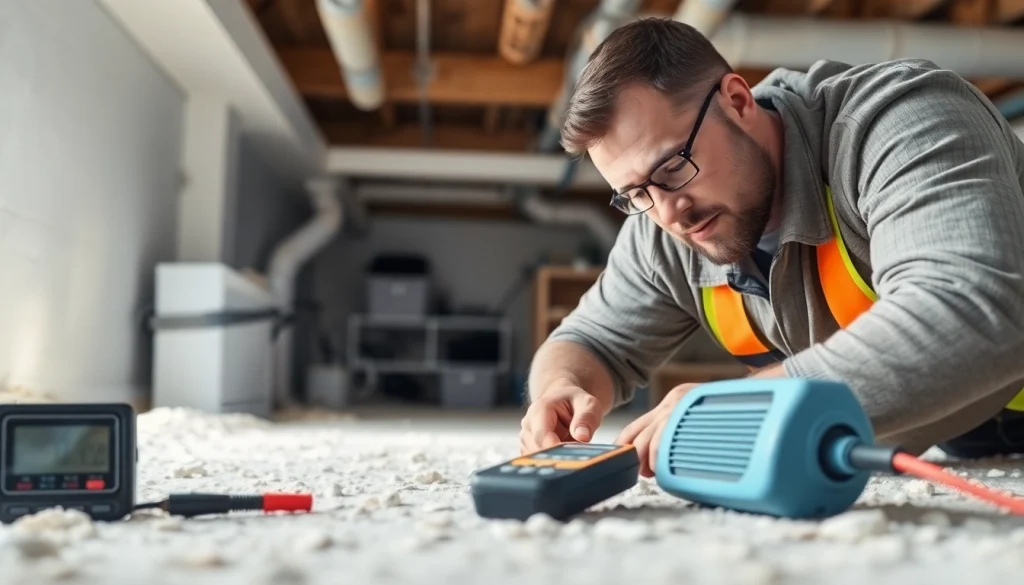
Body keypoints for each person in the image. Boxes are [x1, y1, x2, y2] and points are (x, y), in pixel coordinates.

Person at [519, 17, 1024, 477]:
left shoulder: (901, 121)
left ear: (737, 101)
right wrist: (558, 390)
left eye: (672, 167)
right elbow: (591, 342)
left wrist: (745, 402)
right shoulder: (663, 219)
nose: (668, 212)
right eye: (635, 194)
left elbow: (976, 309)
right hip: (963, 433)